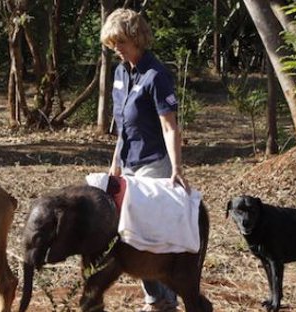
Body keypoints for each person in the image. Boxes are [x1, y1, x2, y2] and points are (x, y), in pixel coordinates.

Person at [100, 8, 189, 312]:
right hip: (128, 163)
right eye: (112, 44)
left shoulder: (156, 75)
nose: (116, 49)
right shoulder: (121, 72)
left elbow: (169, 126)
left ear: (136, 38)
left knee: (151, 235)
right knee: (128, 235)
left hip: (153, 163)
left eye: (120, 42)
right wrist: (115, 164)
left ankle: (168, 300)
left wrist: (176, 168)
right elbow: (124, 127)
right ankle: (155, 299)